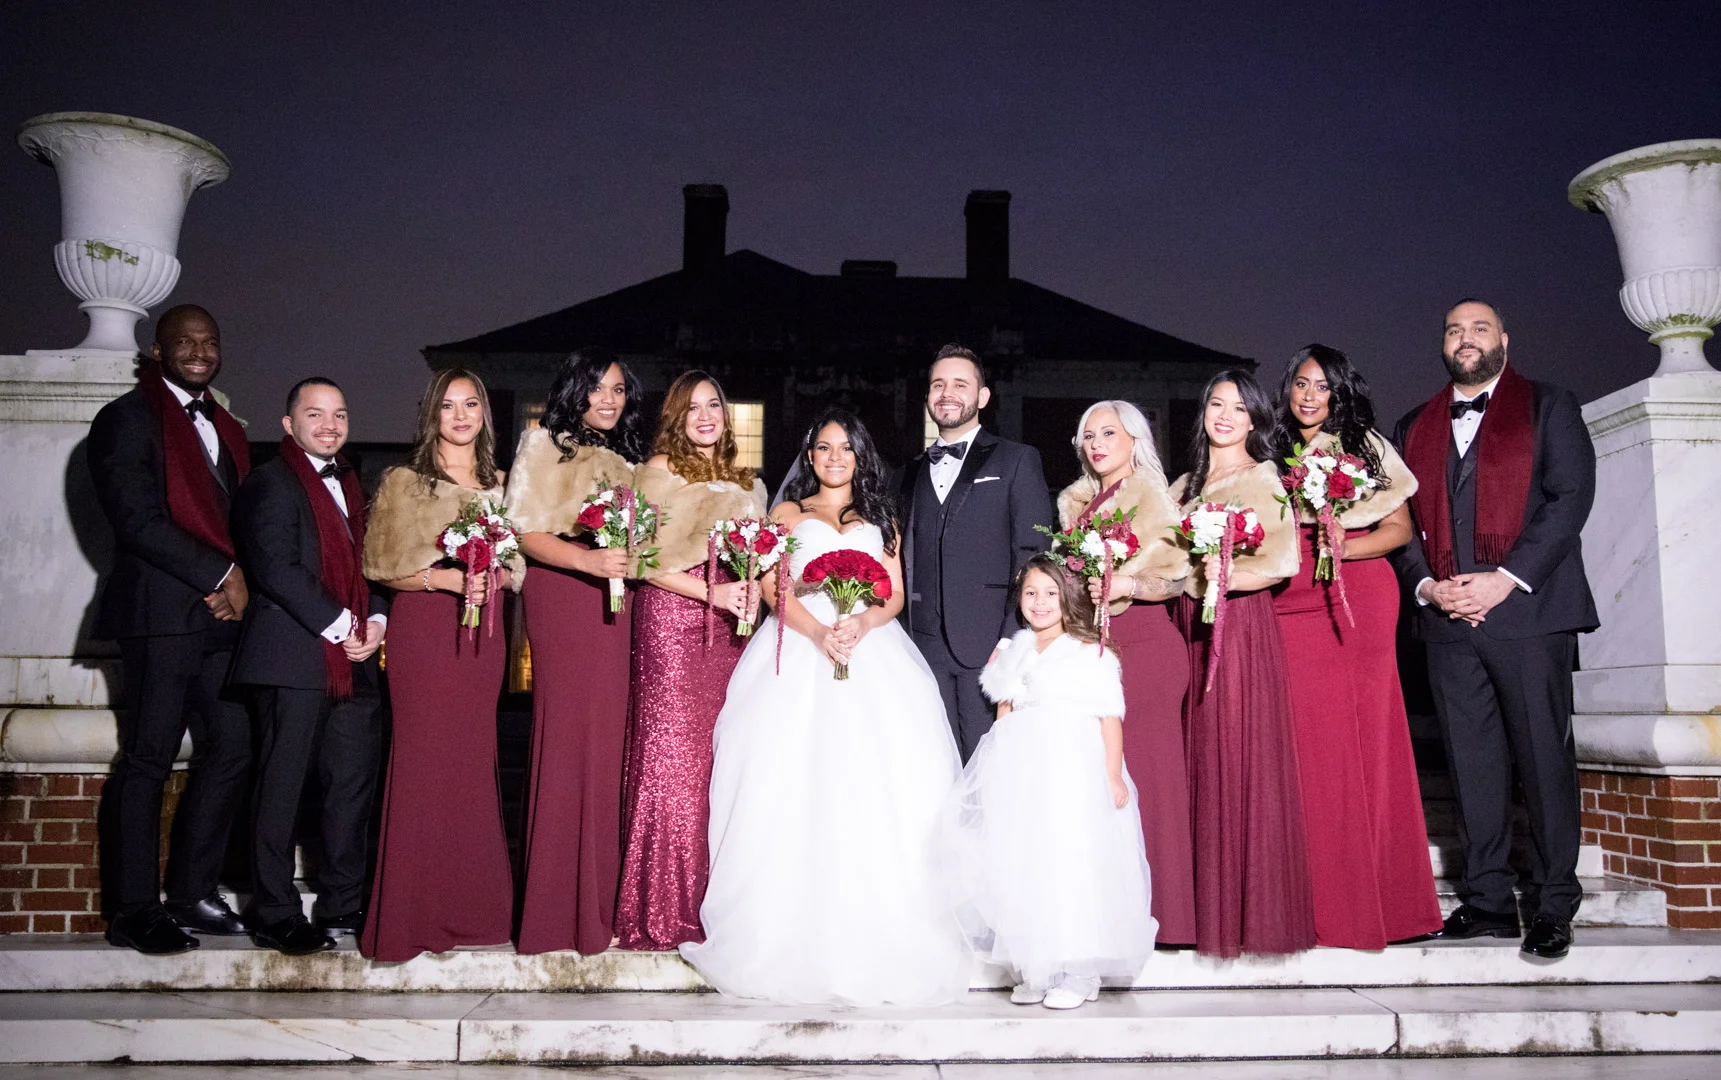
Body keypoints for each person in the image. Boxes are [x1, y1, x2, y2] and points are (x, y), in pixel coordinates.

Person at [680, 408, 971, 1005]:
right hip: (799, 647)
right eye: (823, 448)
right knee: (789, 782)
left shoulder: (881, 516)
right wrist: (818, 633)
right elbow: (772, 589)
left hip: (870, 650)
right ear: (809, 456)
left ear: (860, 455)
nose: (835, 457)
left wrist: (861, 622)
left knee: (879, 782)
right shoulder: (786, 514)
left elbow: (892, 591)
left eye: (845, 448)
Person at [1392, 300, 1597, 960]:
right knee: (1470, 765)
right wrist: (1428, 587)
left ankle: (1553, 904)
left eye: (1479, 328)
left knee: (1542, 762)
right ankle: (1486, 903)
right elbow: (1397, 523)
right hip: (1448, 622)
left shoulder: (1549, 405)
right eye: (1454, 329)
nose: (1466, 338)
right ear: (1443, 344)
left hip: (1530, 615)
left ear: (1503, 339)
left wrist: (1502, 580)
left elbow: (1570, 500)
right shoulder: (1411, 425)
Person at [86, 304, 253, 954]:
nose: (198, 350)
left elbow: (235, 515)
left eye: (209, 340)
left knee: (233, 745)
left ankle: (190, 892)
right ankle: (133, 910)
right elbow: (135, 520)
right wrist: (222, 574)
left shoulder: (227, 427)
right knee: (148, 757)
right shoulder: (125, 419)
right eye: (184, 341)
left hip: (219, 618)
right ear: (158, 351)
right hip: (159, 615)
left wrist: (237, 582)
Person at [1269, 345, 1443, 950]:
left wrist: (1339, 546)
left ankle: (1385, 904)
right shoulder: (1271, 449)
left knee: (1368, 738)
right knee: (1308, 743)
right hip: (1289, 600)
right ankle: (1314, 897)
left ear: (1339, 392)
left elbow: (1398, 530)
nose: (1309, 396)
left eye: (1322, 386)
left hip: (1359, 596)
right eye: (1301, 383)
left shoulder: (1366, 447)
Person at [358, 369, 522, 961]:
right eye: (448, 405)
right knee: (423, 766)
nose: (460, 415)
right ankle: (411, 918)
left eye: (470, 404)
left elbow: (517, 564)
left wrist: (497, 576)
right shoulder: (405, 482)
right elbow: (379, 565)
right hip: (426, 634)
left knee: (471, 764)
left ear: (484, 413)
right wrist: (445, 580)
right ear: (432, 414)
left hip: (483, 638)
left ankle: (472, 913)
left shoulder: (503, 485)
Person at [944, 554, 1156, 1010]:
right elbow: (1004, 711)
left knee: (1070, 861)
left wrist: (1112, 774)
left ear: (1067, 598)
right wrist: (995, 770)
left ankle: (1078, 972)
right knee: (1026, 863)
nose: (1039, 603)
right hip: (1022, 769)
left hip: (1071, 768)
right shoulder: (1013, 649)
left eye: (1050, 593)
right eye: (1030, 593)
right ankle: (1038, 968)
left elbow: (1109, 717)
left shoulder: (1089, 651)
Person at [229, 377, 386, 956]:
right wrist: (345, 625)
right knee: (282, 786)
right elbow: (275, 568)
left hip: (356, 659)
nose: (329, 424)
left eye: (339, 414)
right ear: (288, 424)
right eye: (314, 413)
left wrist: (378, 621)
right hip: (292, 658)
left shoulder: (354, 484)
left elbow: (376, 561)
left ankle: (343, 901)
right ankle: (274, 911)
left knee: (351, 786)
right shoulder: (269, 483)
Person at [617, 372, 768, 951]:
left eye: (714, 406)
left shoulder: (747, 483)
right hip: (673, 625)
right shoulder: (658, 470)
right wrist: (712, 593)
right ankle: (662, 909)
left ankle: (714, 906)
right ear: (676, 417)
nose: (705, 416)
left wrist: (748, 595)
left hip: (730, 632)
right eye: (692, 408)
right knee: (672, 761)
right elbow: (636, 558)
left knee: (719, 763)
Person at [1171, 370, 1315, 959]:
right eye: (1216, 404)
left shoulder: (1263, 477)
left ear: (1254, 418)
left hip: (1237, 627)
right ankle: (1193, 908)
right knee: (1194, 754)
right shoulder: (1185, 484)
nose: (1225, 416)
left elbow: (1282, 563)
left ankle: (1243, 917)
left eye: (1238, 407)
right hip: (1186, 625)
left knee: (1232, 752)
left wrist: (1224, 577)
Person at [504, 347, 644, 955]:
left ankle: (601, 902)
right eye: (596, 388)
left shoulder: (629, 459)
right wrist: (588, 562)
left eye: (617, 390)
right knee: (567, 740)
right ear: (573, 391)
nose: (607, 400)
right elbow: (522, 530)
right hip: (566, 593)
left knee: (608, 745)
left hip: (617, 602)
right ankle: (555, 910)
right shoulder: (543, 444)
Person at [1053, 401, 1196, 947]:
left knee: (1151, 780)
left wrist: (1128, 585)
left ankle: (1170, 918)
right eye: (1088, 435)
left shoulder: (1149, 493)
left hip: (1145, 646)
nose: (1096, 444)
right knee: (1106, 782)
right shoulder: (1079, 502)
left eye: (1108, 433)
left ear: (1134, 440)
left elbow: (1179, 577)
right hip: (1097, 652)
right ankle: (1117, 914)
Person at [898, 344, 1055, 761]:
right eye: (938, 385)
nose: (947, 393)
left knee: (989, 763)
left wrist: (1010, 637)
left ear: (982, 397)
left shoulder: (1017, 459)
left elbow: (1032, 554)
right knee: (932, 762)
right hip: (921, 645)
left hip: (988, 646)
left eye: (960, 384)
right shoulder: (907, 473)